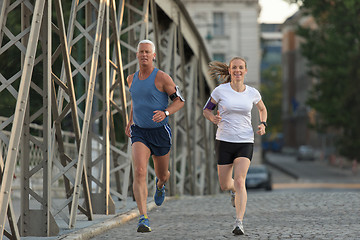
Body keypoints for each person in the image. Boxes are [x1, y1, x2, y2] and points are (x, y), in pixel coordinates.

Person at [203, 57, 267, 235]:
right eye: (234, 68)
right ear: (229, 71)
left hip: (245, 141)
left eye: (241, 68)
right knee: (225, 184)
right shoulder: (219, 91)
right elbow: (206, 109)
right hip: (224, 140)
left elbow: (262, 109)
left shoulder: (252, 92)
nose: (237, 70)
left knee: (240, 180)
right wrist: (212, 118)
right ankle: (233, 192)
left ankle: (239, 223)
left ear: (245, 71)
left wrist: (263, 124)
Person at [125, 39, 185, 233]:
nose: (144, 55)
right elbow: (136, 101)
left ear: (153, 55)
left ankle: (160, 185)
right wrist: (130, 120)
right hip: (140, 131)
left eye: (147, 52)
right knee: (140, 171)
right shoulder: (131, 79)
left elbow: (180, 101)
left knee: (162, 174)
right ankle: (143, 217)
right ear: (137, 54)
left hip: (160, 132)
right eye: (141, 51)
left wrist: (166, 113)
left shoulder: (162, 78)